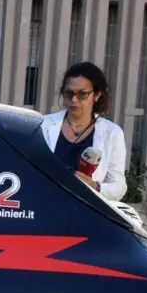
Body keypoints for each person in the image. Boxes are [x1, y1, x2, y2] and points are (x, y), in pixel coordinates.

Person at [41, 61, 126, 201]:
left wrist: (96, 187)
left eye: (82, 94)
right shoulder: (43, 125)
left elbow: (118, 186)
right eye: (69, 93)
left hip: (86, 211)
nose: (74, 100)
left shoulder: (112, 133)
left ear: (97, 95)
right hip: (45, 205)